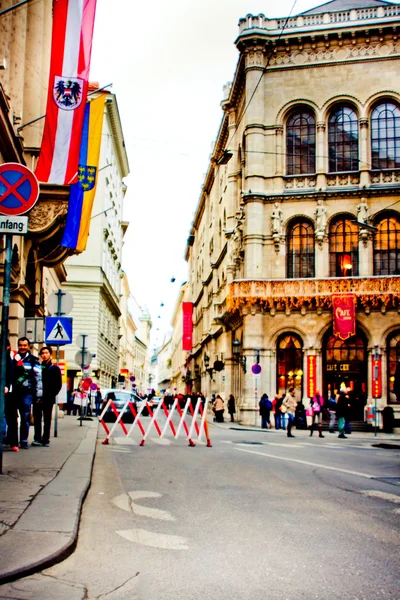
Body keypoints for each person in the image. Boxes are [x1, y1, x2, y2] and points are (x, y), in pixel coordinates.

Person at [12, 337, 42, 449]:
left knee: (25, 417)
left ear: (28, 346)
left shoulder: (34, 360)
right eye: (20, 345)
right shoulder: (13, 358)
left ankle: (23, 440)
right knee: (11, 417)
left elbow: (38, 379)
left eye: (24, 345)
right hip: (13, 392)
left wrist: (39, 395)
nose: (22, 347)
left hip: (27, 393)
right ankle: (12, 440)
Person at [32, 346, 62, 447]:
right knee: (37, 419)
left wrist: (51, 395)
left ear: (50, 354)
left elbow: (58, 385)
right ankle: (37, 438)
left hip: (48, 399)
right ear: (40, 355)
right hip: (37, 397)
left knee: (47, 419)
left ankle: (46, 439)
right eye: (42, 353)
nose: (44, 355)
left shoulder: (55, 369)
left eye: (46, 353)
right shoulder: (38, 368)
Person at [4, 340, 18, 451]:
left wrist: (16, 384)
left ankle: (14, 442)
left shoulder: (14, 357)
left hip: (11, 393)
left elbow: (22, 372)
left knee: (12, 418)